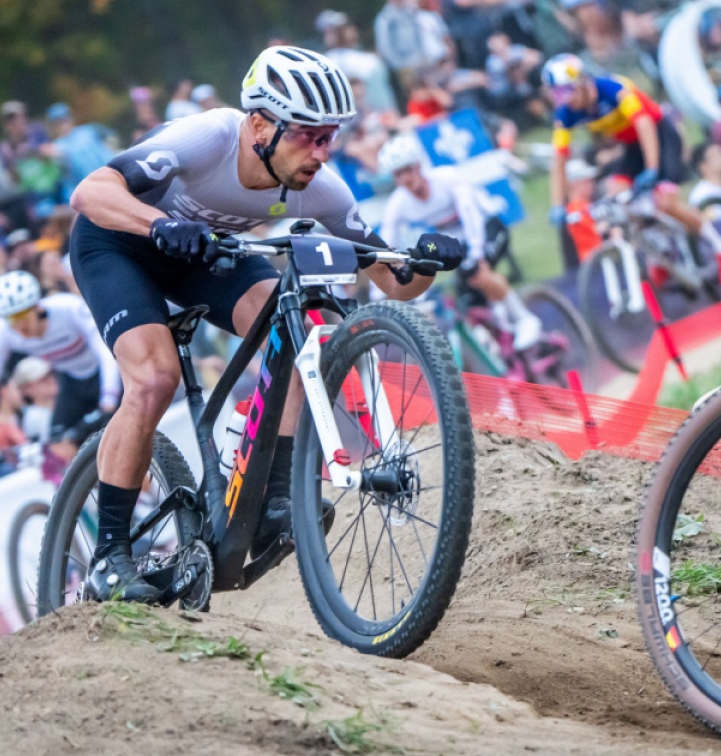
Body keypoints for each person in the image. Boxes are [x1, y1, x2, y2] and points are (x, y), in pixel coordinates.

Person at [66, 46, 464, 602]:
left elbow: (394, 281)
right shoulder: (208, 137)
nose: (322, 152)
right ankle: (110, 555)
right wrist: (159, 225)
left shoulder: (321, 189)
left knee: (293, 330)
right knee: (155, 378)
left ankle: (275, 500)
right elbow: (89, 193)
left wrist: (425, 263)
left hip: (204, 253)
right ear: (260, 125)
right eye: (308, 136)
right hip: (119, 242)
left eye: (329, 137)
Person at [543, 54, 721, 283]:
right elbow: (558, 158)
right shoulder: (566, 113)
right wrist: (557, 204)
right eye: (557, 95)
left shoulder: (612, 88)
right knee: (617, 199)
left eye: (567, 92)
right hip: (632, 146)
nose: (565, 100)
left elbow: (644, 124)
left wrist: (653, 168)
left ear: (583, 82)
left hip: (661, 136)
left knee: (666, 203)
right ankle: (660, 250)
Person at [378, 134, 543, 348]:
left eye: (408, 170)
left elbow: (470, 214)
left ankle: (524, 319)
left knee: (477, 274)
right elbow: (384, 245)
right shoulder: (398, 203)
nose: (405, 179)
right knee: (467, 302)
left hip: (487, 225)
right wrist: (380, 291)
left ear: (419, 166)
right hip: (459, 243)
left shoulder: (446, 178)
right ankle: (501, 337)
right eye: (398, 174)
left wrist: (477, 253)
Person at [0, 270, 120, 454]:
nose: (20, 326)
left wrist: (109, 398)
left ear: (38, 307)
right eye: (12, 319)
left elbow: (104, 350)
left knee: (124, 426)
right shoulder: (2, 332)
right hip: (71, 381)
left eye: (24, 316)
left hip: (105, 371)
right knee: (59, 444)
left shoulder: (67, 308)